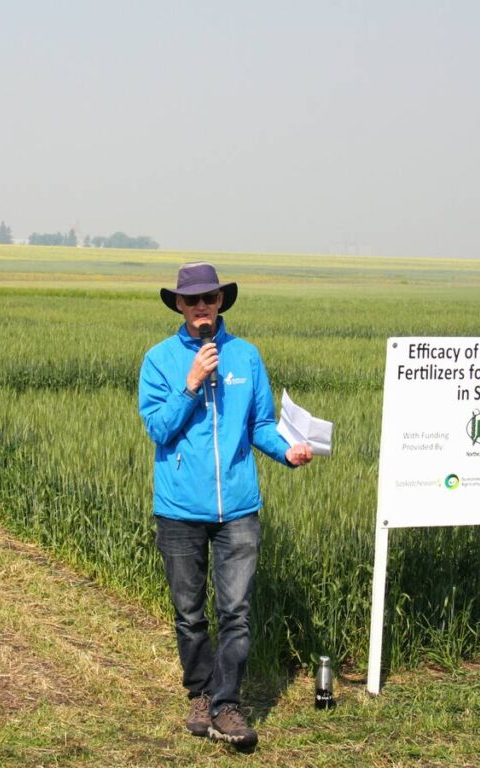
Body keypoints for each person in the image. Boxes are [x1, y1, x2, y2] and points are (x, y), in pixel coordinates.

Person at [138, 262, 313, 750]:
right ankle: (199, 692)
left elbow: (260, 425)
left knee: (235, 610)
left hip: (238, 507)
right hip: (178, 509)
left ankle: (226, 704)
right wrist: (191, 383)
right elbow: (158, 428)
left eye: (209, 299)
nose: (201, 308)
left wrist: (287, 451)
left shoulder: (247, 357)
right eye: (192, 300)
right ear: (178, 304)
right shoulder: (159, 361)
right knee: (189, 612)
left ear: (220, 303)